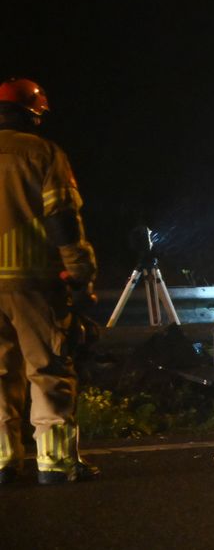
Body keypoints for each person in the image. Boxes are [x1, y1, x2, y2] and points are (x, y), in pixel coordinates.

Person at [0, 78, 99, 485]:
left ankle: (4, 462)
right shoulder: (43, 153)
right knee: (48, 368)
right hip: (34, 281)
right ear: (32, 114)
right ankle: (55, 464)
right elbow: (61, 218)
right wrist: (79, 270)